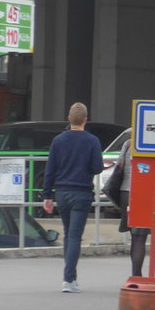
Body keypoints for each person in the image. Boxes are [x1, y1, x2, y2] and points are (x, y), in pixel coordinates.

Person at [42, 102, 104, 293]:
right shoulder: (92, 141)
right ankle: (68, 280)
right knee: (75, 236)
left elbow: (50, 170)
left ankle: (71, 278)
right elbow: (97, 168)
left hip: (62, 193)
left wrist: (47, 195)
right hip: (82, 193)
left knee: (68, 234)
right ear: (85, 119)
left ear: (69, 119)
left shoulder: (58, 140)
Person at [109, 138, 151, 278]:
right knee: (140, 238)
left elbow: (119, 165)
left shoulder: (128, 143)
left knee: (134, 236)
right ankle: (137, 276)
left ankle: (135, 275)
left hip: (125, 193)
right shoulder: (153, 144)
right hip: (144, 192)